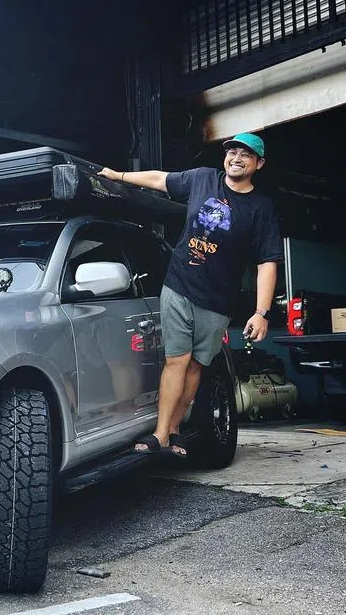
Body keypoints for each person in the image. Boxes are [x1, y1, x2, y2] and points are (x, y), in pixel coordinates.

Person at [98, 132, 283, 457]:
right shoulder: (202, 180)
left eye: (246, 155)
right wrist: (118, 176)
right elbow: (159, 179)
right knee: (176, 361)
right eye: (232, 152)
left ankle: (174, 427)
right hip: (180, 285)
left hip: (218, 301)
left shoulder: (261, 208)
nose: (236, 158)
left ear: (259, 163)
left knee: (196, 366)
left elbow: (267, 262)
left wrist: (261, 311)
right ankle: (161, 434)